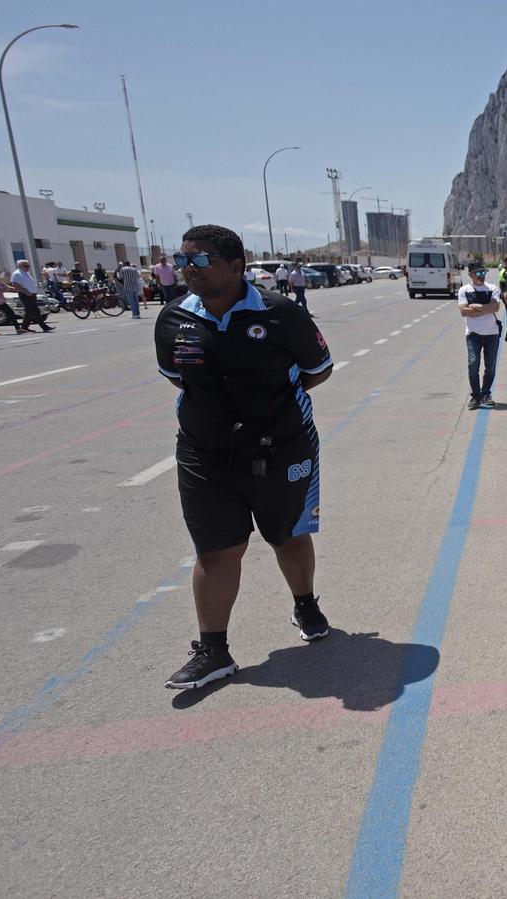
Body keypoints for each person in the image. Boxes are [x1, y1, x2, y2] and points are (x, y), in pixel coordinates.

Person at [155, 224, 335, 691]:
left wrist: (264, 408)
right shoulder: (174, 319)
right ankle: (213, 650)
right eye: (184, 260)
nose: (188, 269)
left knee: (288, 537)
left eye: (200, 261)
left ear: (236, 267)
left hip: (282, 450)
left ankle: (306, 604)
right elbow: (178, 379)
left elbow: (318, 371)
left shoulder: (281, 314)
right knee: (216, 551)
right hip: (204, 455)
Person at [458, 265, 507, 409]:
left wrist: (475, 306)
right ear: (470, 275)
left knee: (490, 366)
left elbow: (495, 308)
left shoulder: (492, 288)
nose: (482, 275)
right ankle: (475, 397)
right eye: (478, 273)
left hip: (491, 334)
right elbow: (464, 311)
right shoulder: (464, 290)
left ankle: (486, 394)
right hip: (473, 334)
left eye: (483, 272)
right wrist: (485, 308)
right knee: (473, 363)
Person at [9, 260, 54, 332]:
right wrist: (26, 292)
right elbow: (15, 285)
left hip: (32, 295)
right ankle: (44, 327)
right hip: (25, 295)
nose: (28, 268)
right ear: (20, 266)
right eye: (26, 266)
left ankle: (24, 327)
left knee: (29, 312)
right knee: (35, 311)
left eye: (28, 266)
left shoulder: (26, 273)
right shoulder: (17, 274)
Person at [0, 266, 28, 336]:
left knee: (11, 313)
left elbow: (6, 287)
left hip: (1, 301)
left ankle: (18, 329)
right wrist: (1, 290)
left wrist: (17, 289)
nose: (1, 273)